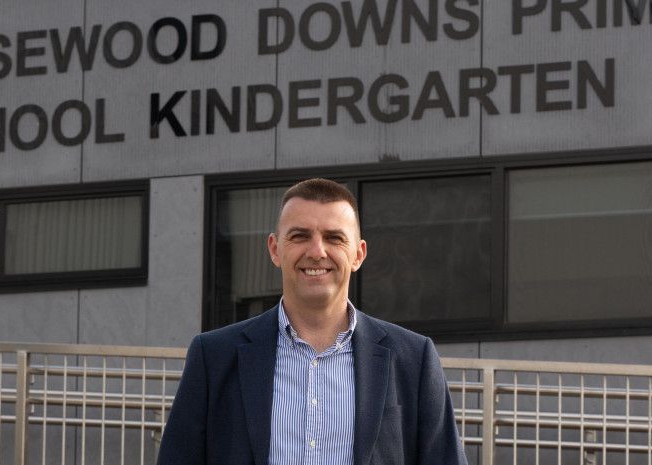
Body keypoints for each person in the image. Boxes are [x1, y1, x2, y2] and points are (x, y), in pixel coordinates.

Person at [156, 178, 467, 465]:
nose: (317, 252)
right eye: (300, 235)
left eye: (334, 237)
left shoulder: (414, 359)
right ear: (275, 249)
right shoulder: (213, 357)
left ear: (358, 254)